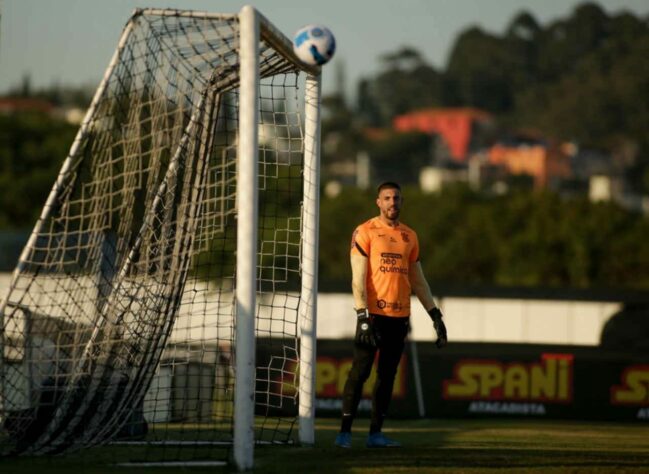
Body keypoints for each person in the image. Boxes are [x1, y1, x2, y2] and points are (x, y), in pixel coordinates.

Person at [334, 181, 448, 449]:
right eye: (387, 198)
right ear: (378, 202)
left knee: (387, 377)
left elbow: (419, 281)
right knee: (360, 373)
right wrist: (362, 315)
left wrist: (435, 315)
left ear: (401, 201)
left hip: (399, 317)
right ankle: (344, 432)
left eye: (396, 198)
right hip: (372, 315)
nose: (392, 202)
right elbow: (357, 278)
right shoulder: (365, 231)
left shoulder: (410, 236)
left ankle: (375, 434)